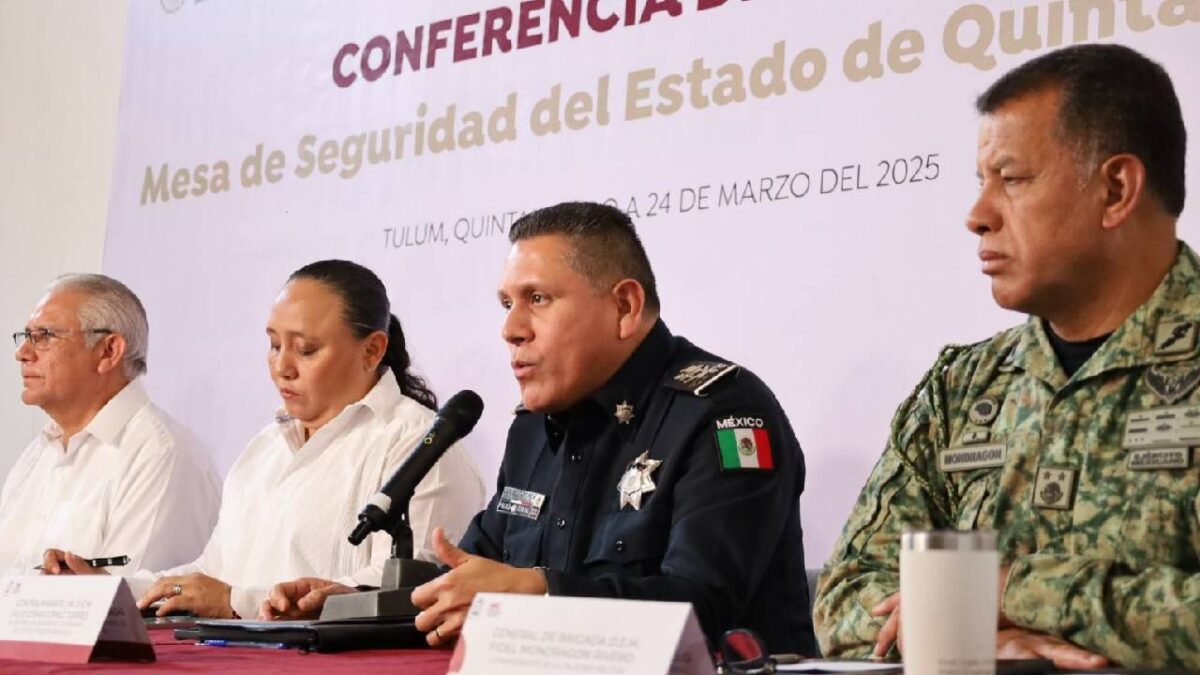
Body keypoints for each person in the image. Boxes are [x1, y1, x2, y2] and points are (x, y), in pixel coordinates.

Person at [263, 202, 817, 655]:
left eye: (538, 299)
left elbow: (706, 610)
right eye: (506, 303)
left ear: (625, 306)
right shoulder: (532, 430)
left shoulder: (722, 414)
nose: (510, 328)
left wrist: (539, 594)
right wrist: (359, 603)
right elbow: (473, 571)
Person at [814, 44, 1195, 669]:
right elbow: (843, 597)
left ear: (1116, 189)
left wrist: (1014, 591)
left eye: (1012, 180)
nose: (977, 215)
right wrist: (970, 632)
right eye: (982, 182)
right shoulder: (961, 388)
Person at [43, 260, 487, 620]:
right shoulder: (264, 449)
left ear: (372, 350)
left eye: (306, 349)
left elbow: (412, 588)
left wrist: (238, 601)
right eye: (274, 345)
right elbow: (212, 572)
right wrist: (111, 591)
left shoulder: (418, 444)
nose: (282, 367)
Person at [1, 273, 219, 574]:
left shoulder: (162, 455)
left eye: (45, 336)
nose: (22, 353)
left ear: (108, 351)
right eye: (26, 336)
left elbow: (133, 606)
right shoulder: (38, 454)